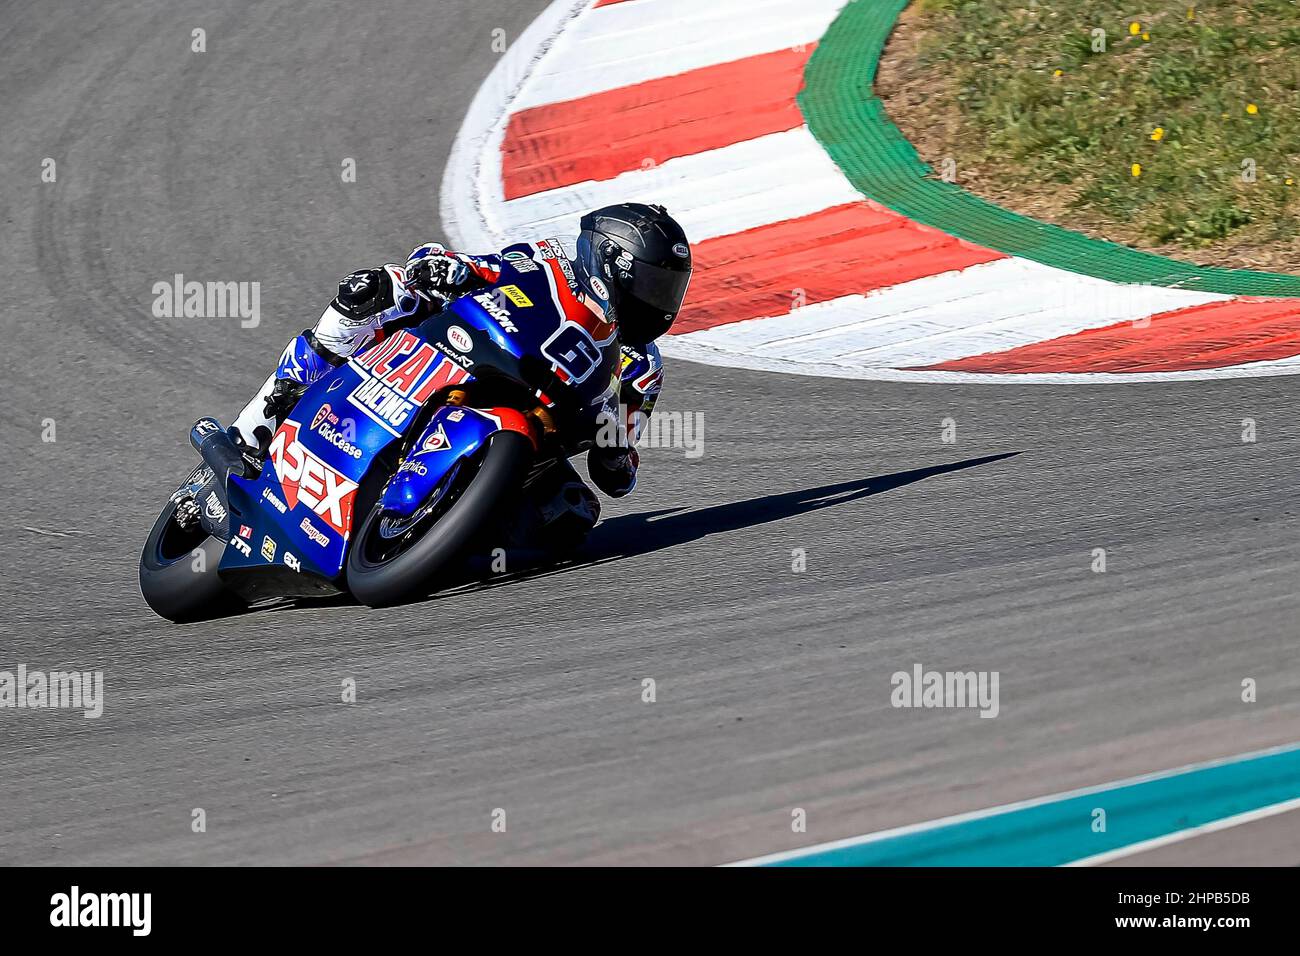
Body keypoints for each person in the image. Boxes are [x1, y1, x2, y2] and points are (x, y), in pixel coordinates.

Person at [226, 202, 692, 547]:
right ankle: (266, 415)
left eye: (669, 289)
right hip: (481, 362)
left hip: (534, 443)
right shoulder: (550, 264)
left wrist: (615, 453)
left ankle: (445, 542)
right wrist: (447, 269)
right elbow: (488, 269)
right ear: (613, 263)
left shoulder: (643, 368)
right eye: (653, 284)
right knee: (372, 290)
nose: (661, 301)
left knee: (572, 516)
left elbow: (617, 470)